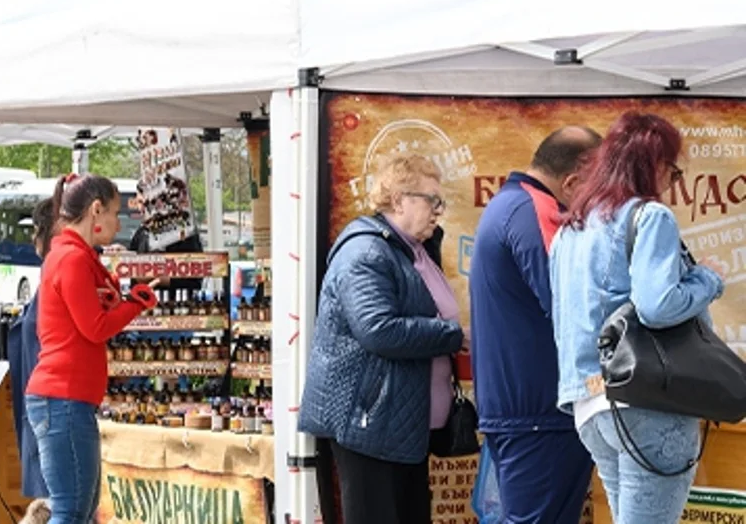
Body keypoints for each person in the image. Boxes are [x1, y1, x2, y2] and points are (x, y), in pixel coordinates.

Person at [552, 113, 724, 524]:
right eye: (673, 170)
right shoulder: (649, 216)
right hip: (646, 398)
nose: (671, 182)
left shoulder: (568, 231)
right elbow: (658, 305)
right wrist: (708, 279)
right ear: (654, 163)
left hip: (588, 401)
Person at [299, 153, 466, 524]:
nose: (438, 210)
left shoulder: (415, 248)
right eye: (431, 200)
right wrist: (455, 337)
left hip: (399, 423)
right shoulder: (366, 251)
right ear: (397, 200)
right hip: (369, 421)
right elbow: (379, 330)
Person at [471, 126, 601, 524]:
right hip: (538, 412)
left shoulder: (511, 205)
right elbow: (569, 304)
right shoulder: (536, 211)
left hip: (529, 410)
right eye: (596, 188)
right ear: (573, 179)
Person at [26, 175, 156, 524]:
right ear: (95, 210)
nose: (118, 223)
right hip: (63, 398)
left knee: (80, 509)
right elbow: (95, 327)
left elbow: (91, 313)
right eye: (114, 213)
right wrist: (135, 305)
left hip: (66, 398)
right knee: (71, 509)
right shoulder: (71, 259)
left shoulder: (73, 256)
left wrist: (122, 298)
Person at [5, 198, 57, 508]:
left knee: (57, 501)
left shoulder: (59, 269)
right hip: (45, 400)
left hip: (50, 402)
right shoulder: (54, 272)